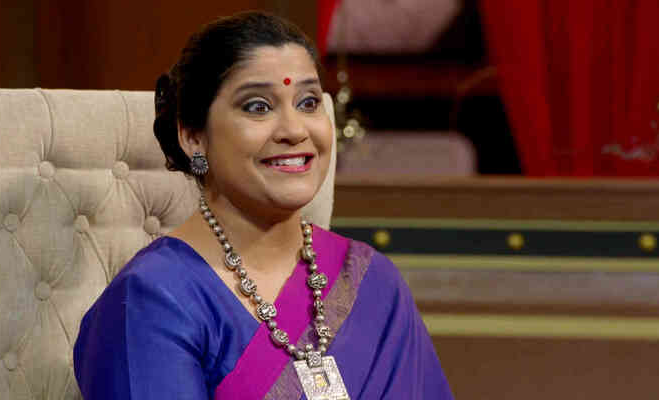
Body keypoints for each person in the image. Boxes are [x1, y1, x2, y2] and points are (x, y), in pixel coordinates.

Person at [73, 11, 453, 400]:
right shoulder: (152, 300)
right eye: (258, 107)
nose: (294, 130)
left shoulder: (371, 282)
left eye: (308, 102)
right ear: (193, 137)